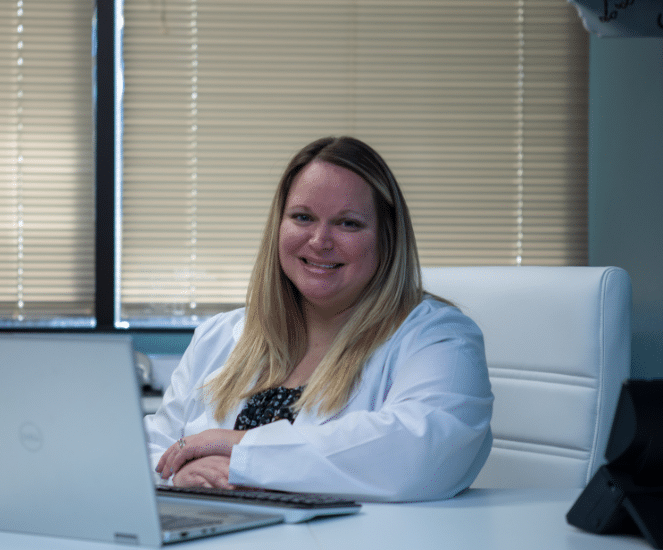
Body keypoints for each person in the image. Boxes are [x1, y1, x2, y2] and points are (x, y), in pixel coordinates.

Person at [145, 136, 493, 502]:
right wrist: (179, 474)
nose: (319, 240)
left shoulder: (438, 339)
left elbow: (420, 453)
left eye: (348, 223)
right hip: (217, 546)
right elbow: (149, 450)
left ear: (387, 238)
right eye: (302, 217)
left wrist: (239, 448)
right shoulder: (218, 336)